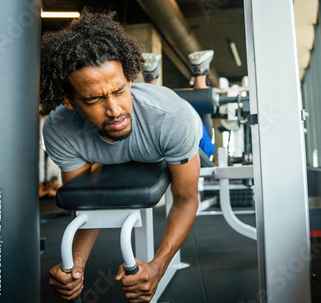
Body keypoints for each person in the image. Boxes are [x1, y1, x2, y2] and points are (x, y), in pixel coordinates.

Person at [40, 8, 201, 303]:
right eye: (94, 99)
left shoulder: (170, 117)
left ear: (128, 79)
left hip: (185, 124)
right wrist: (76, 265)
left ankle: (175, 79)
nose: (114, 109)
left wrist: (157, 266)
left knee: (196, 132)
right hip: (141, 140)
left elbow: (186, 199)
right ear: (70, 101)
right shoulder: (60, 129)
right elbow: (88, 203)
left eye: (119, 90)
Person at [142, 50, 216, 160]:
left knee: (206, 147)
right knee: (206, 150)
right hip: (176, 116)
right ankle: (151, 77)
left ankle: (199, 71)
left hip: (179, 117)